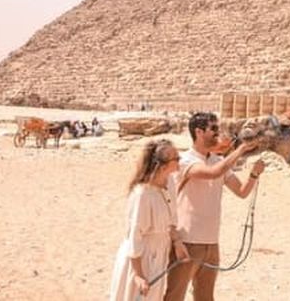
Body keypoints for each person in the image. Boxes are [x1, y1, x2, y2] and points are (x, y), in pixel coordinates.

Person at [164, 112, 264, 301]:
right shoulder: (185, 161)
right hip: (187, 241)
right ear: (199, 132)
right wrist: (240, 150)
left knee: (205, 297)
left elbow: (241, 192)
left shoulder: (218, 161)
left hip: (211, 243)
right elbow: (211, 173)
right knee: (174, 296)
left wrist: (253, 175)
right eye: (214, 129)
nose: (218, 133)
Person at [110, 139, 189, 300]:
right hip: (141, 259)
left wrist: (177, 242)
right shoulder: (143, 194)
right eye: (176, 158)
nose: (180, 160)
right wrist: (138, 275)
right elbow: (135, 235)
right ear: (162, 165)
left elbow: (172, 220)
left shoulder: (170, 183)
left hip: (160, 254)